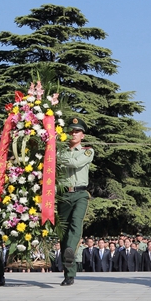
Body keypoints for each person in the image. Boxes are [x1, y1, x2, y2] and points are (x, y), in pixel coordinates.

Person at [56, 117, 94, 286]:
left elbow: (75, 162)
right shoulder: (59, 150)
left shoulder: (87, 151)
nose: (73, 134)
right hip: (63, 194)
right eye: (71, 131)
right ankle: (68, 273)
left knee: (75, 225)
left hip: (80, 194)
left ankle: (70, 252)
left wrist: (57, 157)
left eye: (77, 131)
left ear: (82, 136)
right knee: (63, 233)